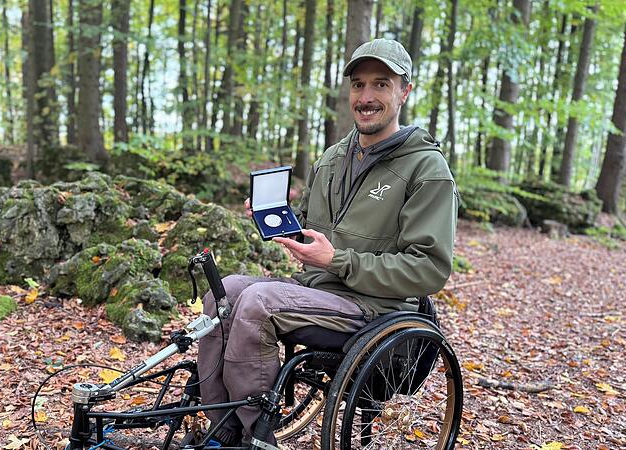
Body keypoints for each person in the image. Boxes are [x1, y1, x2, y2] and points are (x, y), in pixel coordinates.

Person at [196, 38, 459, 448]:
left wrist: (339, 260)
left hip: (375, 308)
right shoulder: (333, 159)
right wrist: (278, 221)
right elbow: (312, 231)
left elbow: (428, 270)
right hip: (317, 290)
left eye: (380, 84)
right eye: (358, 85)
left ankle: (255, 438)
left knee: (256, 304)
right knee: (224, 293)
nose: (366, 97)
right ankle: (220, 432)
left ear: (405, 91)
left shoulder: (427, 169)